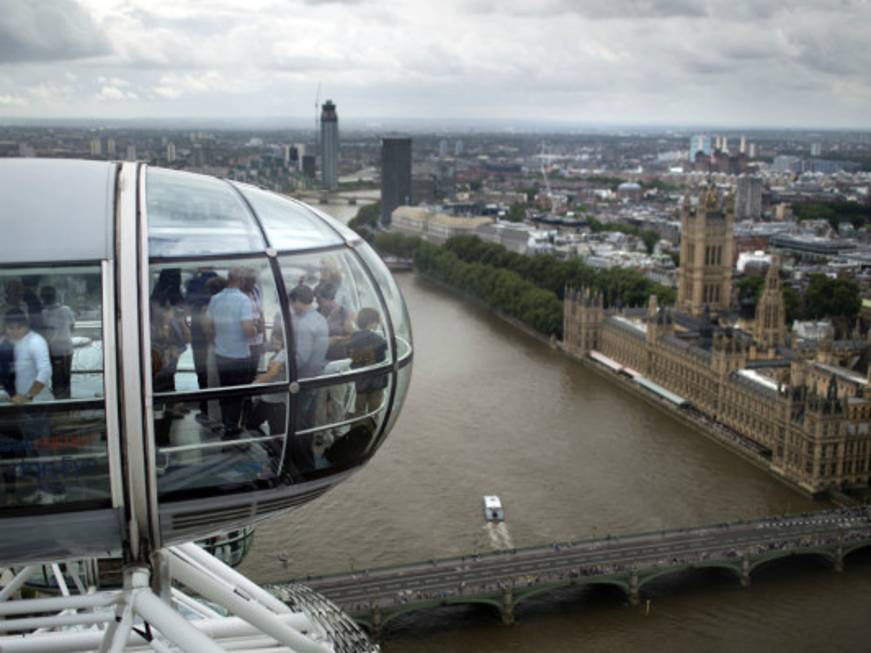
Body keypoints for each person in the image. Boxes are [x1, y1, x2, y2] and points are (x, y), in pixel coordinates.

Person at [206, 269, 256, 436]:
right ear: (241, 281)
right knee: (237, 395)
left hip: (221, 354)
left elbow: (207, 325)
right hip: (239, 355)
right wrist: (256, 330)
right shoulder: (244, 300)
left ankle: (227, 425)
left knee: (225, 392)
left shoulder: (215, 299)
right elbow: (247, 329)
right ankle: (231, 430)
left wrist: (215, 339)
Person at [288, 284, 328, 471]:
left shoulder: (304, 324)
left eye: (292, 302)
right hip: (316, 377)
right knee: (308, 423)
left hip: (303, 380)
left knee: (297, 424)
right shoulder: (320, 319)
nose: (291, 307)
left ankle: (301, 465)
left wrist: (281, 365)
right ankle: (309, 463)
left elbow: (301, 358)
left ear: (297, 301)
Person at [349, 307, 388, 415]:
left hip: (361, 381)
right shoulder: (376, 338)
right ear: (371, 322)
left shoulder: (355, 336)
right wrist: (384, 326)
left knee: (359, 410)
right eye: (376, 322)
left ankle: (357, 429)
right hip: (376, 382)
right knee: (373, 412)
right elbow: (390, 344)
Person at [39, 286, 75, 399]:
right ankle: (65, 402)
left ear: (42, 298)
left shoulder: (42, 313)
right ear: (55, 296)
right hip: (65, 350)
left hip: (52, 350)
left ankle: (59, 402)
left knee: (56, 378)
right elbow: (72, 327)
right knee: (65, 378)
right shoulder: (66, 310)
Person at [315, 281, 354, 360]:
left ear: (329, 298)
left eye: (319, 298)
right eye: (316, 298)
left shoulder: (343, 313)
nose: (316, 301)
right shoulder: (316, 313)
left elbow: (351, 337)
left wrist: (337, 341)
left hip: (339, 358)